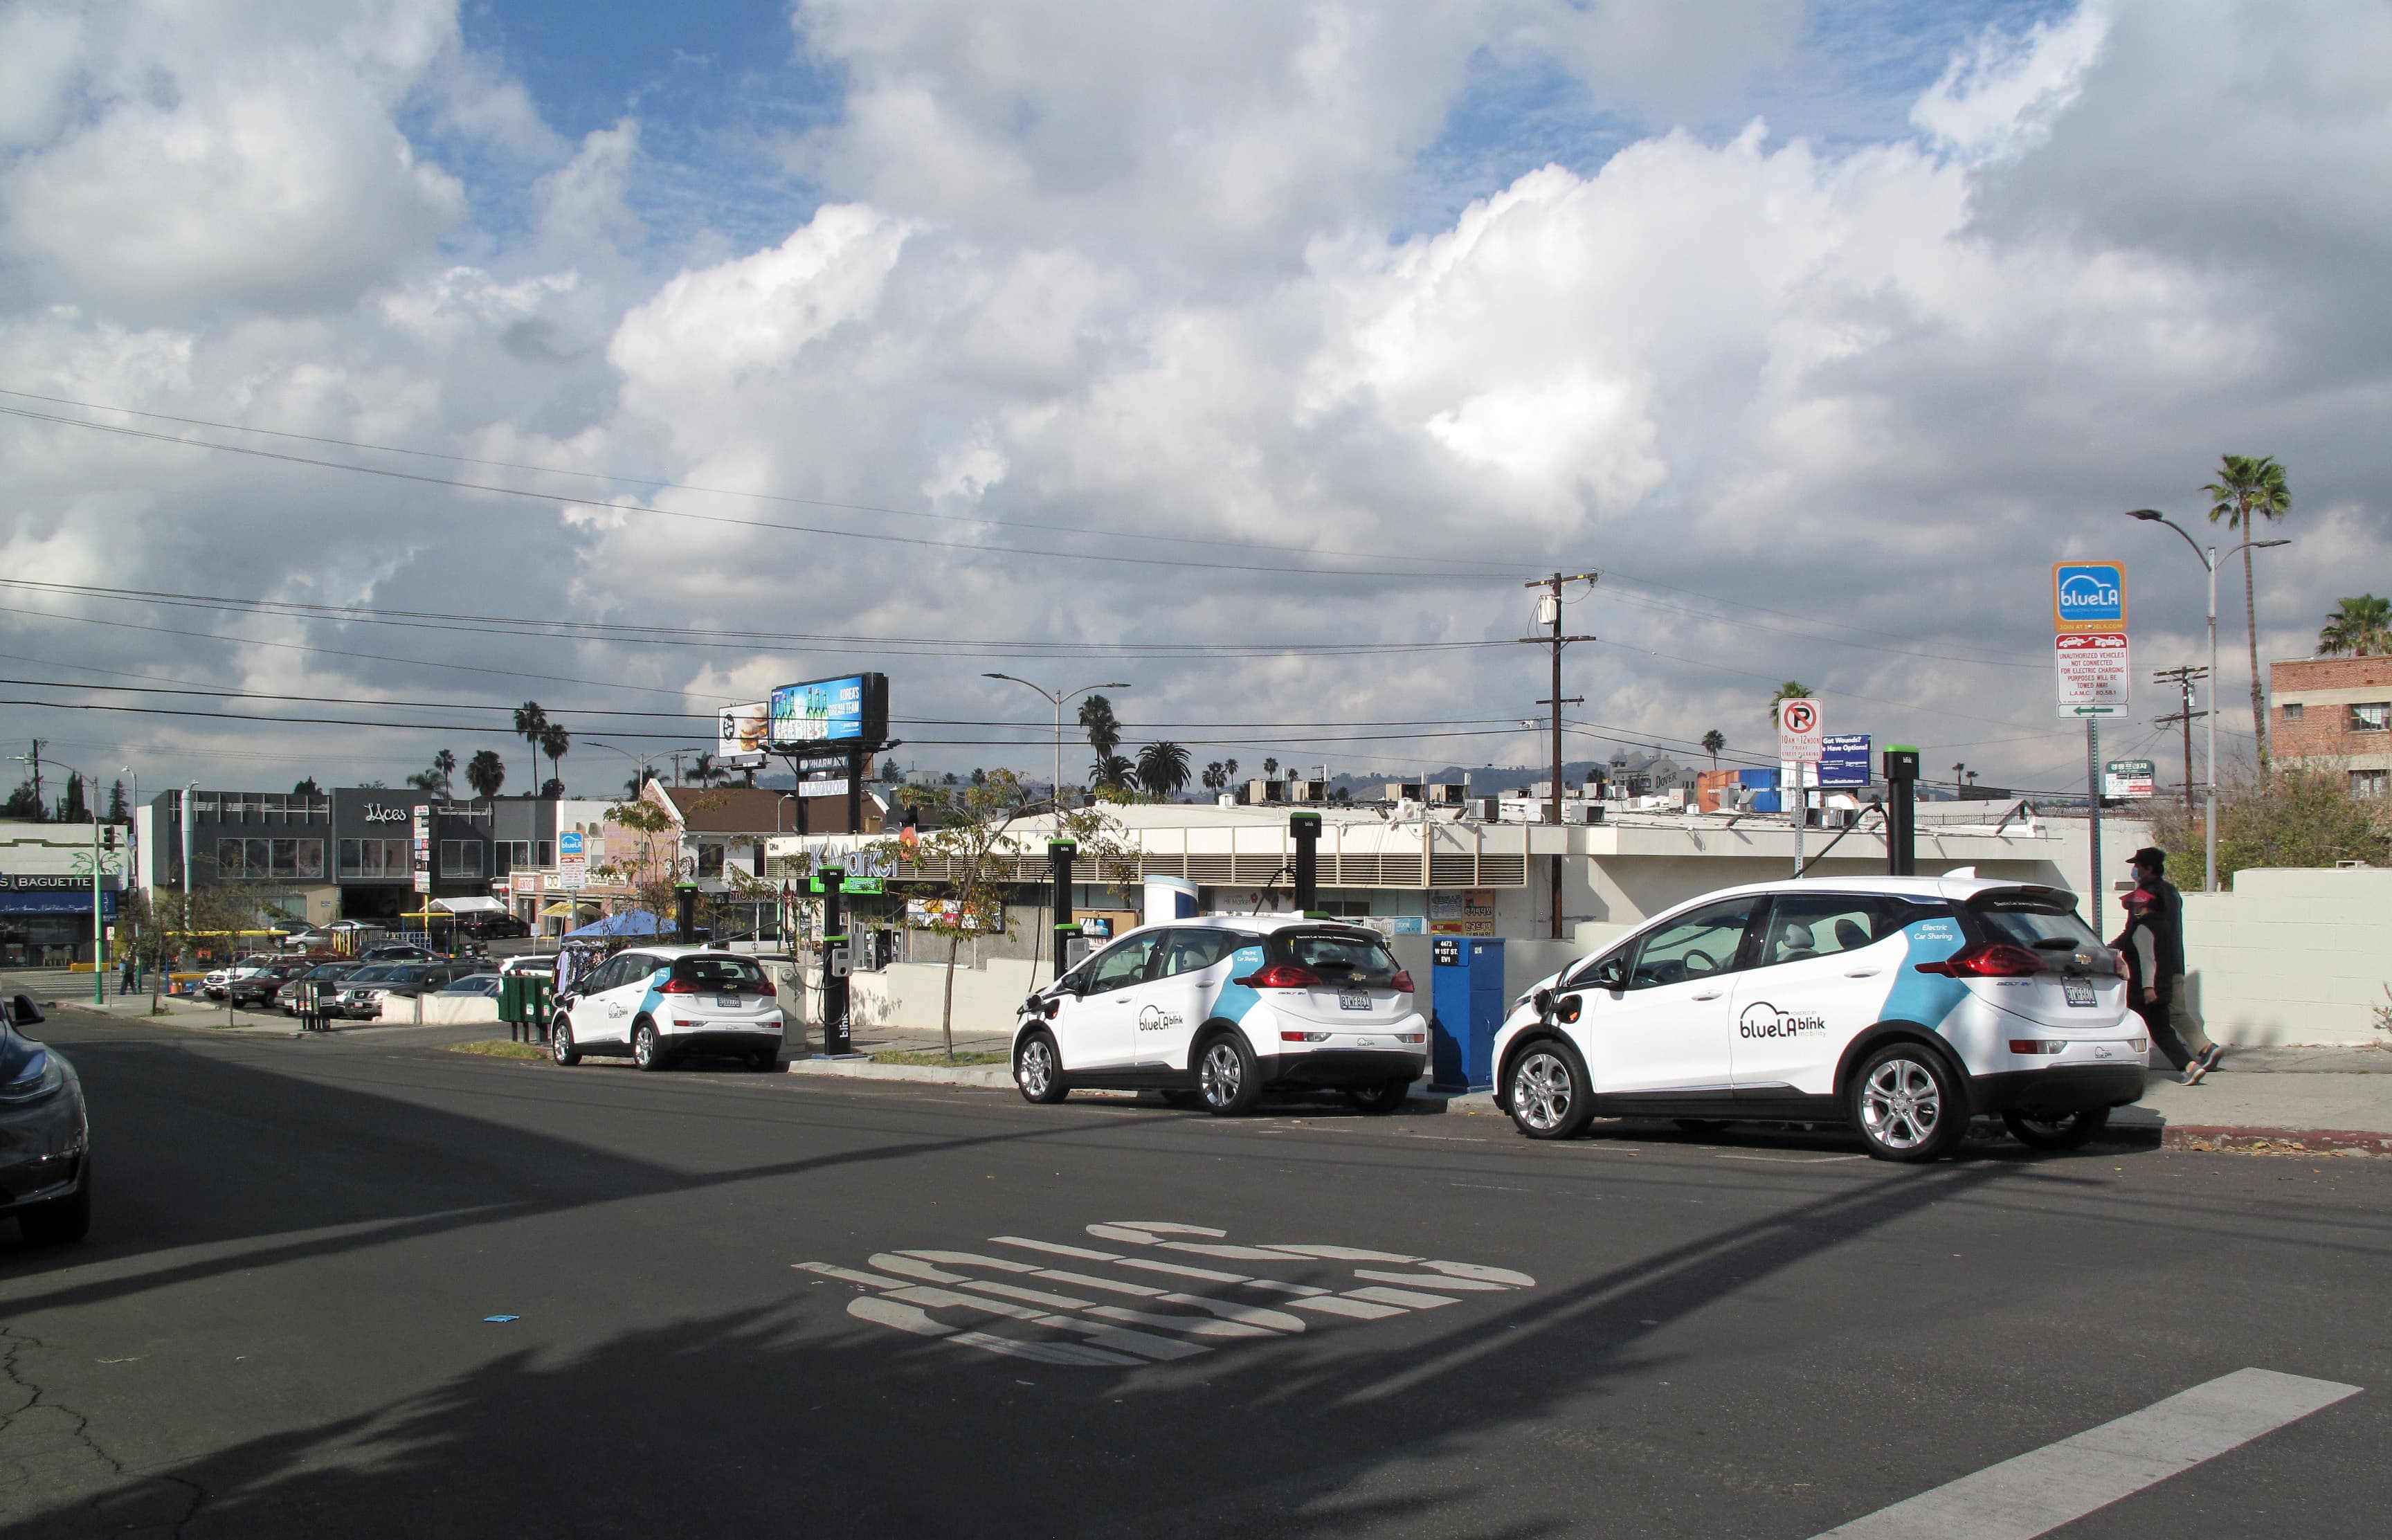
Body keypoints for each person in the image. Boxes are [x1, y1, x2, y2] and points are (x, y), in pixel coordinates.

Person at [2128, 846, 2220, 1083]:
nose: (2134, 870)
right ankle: (2200, 1051)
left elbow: (2141, 932)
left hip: (2159, 967)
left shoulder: (2149, 896)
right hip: (2172, 961)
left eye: (2138, 866)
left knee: (2171, 1013)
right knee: (2170, 1014)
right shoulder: (2171, 892)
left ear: (2149, 868)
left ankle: (2204, 1049)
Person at [2112, 889, 2191, 1074]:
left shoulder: (2143, 928)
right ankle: (2189, 1066)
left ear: (2144, 906)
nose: (2132, 910)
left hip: (2143, 991)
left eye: (2135, 906)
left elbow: (2147, 960)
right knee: (2162, 1031)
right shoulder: (2162, 926)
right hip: (2162, 986)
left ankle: (2118, 1064)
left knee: (2125, 1023)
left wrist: (2148, 988)